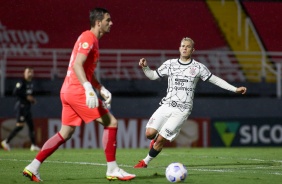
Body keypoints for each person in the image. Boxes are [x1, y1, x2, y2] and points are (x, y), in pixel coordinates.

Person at [22, 7, 135, 182]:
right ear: (98, 23)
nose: (111, 23)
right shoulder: (88, 37)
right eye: (108, 20)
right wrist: (88, 89)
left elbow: (86, 70)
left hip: (68, 90)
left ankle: (33, 167)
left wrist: (100, 88)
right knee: (111, 122)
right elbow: (77, 65)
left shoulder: (93, 40)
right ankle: (112, 169)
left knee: (65, 133)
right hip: (77, 90)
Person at [134, 37, 247, 168]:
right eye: (183, 46)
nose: (185, 48)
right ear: (179, 48)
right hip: (167, 105)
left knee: (161, 140)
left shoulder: (198, 67)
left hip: (182, 110)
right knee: (149, 134)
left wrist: (235, 89)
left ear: (193, 50)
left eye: (188, 46)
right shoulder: (170, 64)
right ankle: (154, 140)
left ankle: (145, 162)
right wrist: (145, 67)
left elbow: (215, 80)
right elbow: (153, 76)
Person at [1, 67, 41, 152]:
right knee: (20, 126)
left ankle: (33, 145)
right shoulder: (21, 82)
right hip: (21, 107)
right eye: (28, 72)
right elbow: (15, 92)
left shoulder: (31, 83)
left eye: (31, 71)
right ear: (24, 73)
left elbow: (28, 95)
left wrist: (32, 100)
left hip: (27, 107)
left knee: (31, 126)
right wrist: (27, 97)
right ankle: (6, 142)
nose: (30, 73)